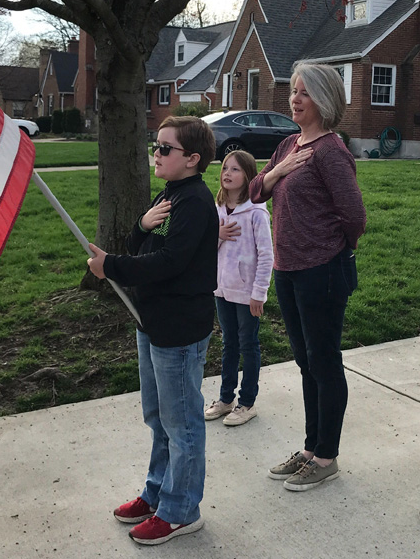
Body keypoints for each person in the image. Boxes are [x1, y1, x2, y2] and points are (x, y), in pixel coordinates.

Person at [87, 116, 218, 546]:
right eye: (155, 146)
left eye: (165, 148)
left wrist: (113, 268)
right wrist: (141, 226)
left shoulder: (195, 202)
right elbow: (139, 246)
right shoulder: (171, 195)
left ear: (192, 159)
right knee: (158, 416)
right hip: (153, 321)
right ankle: (157, 492)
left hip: (179, 328)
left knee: (181, 423)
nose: (156, 155)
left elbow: (169, 263)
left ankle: (181, 510)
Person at [249, 62, 365, 492]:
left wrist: (332, 251)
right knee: (305, 362)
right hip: (289, 269)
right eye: (294, 90)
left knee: (324, 361)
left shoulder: (331, 151)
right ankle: (311, 448)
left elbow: (354, 215)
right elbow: (255, 192)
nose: (295, 98)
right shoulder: (288, 145)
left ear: (325, 100)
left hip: (322, 271)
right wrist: (278, 170)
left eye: (305, 92)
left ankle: (326, 457)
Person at [204, 149, 274, 427]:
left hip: (247, 295)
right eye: (224, 169)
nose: (227, 174)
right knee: (228, 344)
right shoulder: (217, 209)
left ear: (248, 176)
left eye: (235, 169)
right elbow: (206, 249)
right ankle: (225, 399)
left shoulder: (256, 213)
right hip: (222, 290)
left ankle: (247, 403)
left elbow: (266, 254)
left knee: (248, 345)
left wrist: (259, 293)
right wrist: (216, 235)